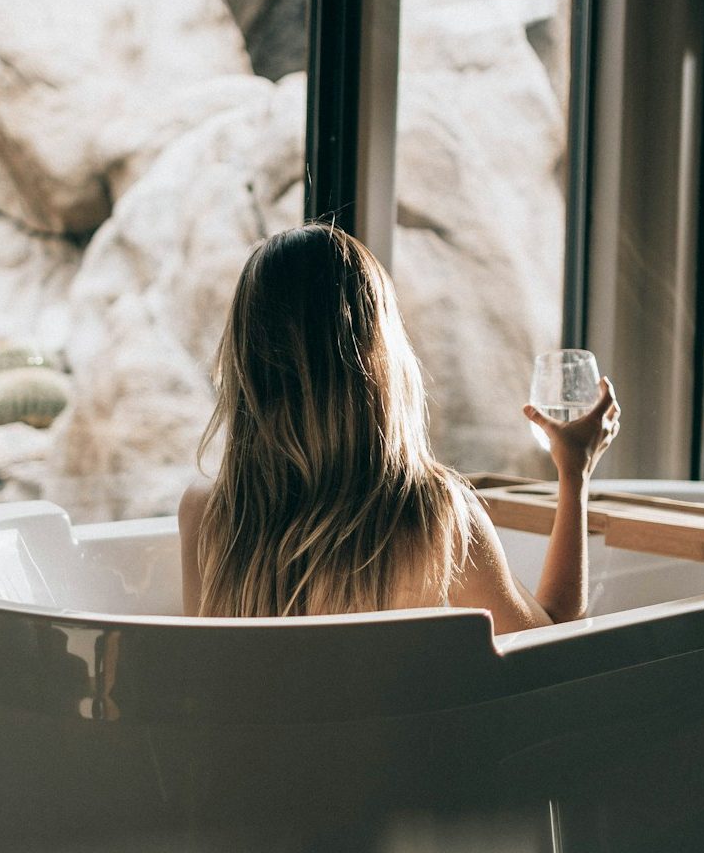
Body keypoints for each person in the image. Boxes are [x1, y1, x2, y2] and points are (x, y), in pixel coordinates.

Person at [178, 224, 620, 634]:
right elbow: (550, 649)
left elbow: (208, 677)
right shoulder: (435, 516)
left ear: (245, 363)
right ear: (380, 360)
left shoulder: (206, 515)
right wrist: (574, 473)